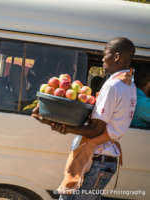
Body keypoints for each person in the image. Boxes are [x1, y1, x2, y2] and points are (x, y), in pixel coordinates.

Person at [32, 37, 137, 200]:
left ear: (116, 57)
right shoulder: (129, 84)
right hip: (105, 159)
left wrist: (59, 126)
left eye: (105, 54)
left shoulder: (113, 86)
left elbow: (96, 129)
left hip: (95, 160)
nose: (102, 58)